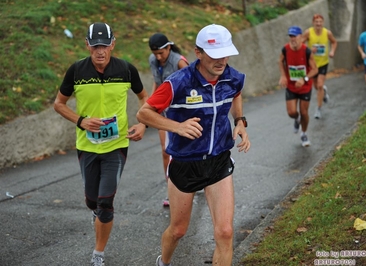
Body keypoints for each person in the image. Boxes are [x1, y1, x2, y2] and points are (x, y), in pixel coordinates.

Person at [137, 24, 250, 266]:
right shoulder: (178, 82)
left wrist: (239, 121)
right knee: (178, 231)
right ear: (198, 53)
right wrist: (176, 127)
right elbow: (144, 113)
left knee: (225, 232)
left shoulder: (232, 77)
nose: (221, 60)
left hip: (219, 162)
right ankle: (164, 262)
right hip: (185, 164)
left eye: (225, 53)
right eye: (214, 54)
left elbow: (236, 92)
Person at [53, 22, 148, 266]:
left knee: (106, 202)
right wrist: (81, 120)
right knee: (91, 201)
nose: (100, 51)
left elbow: (145, 98)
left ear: (113, 44)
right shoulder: (76, 71)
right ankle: (96, 212)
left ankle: (98, 254)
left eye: (105, 45)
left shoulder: (126, 69)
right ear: (86, 45)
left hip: (116, 146)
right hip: (87, 146)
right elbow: (59, 104)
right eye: (95, 46)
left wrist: (143, 123)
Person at [148, 33, 189, 207]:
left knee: (187, 151)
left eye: (161, 53)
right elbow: (157, 84)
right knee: (166, 152)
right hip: (164, 113)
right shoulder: (153, 60)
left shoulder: (179, 62)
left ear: (169, 47)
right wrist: (151, 105)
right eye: (155, 53)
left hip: (182, 114)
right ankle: (171, 192)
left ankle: (193, 183)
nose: (158, 56)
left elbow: (191, 87)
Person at [279, 26, 318, 147]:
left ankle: (304, 133)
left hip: (305, 86)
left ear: (301, 37)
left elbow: (315, 69)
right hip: (291, 85)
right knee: (292, 112)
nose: (292, 38)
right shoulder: (285, 49)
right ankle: (297, 119)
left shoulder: (306, 51)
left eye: (294, 36)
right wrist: (283, 76)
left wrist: (304, 78)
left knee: (304, 112)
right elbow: (280, 61)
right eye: (290, 36)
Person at [302, 14, 338, 119]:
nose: (318, 23)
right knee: (316, 86)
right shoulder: (308, 32)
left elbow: (334, 42)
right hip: (312, 64)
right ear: (313, 23)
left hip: (323, 62)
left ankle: (318, 109)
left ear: (323, 22)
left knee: (320, 85)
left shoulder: (327, 33)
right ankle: (324, 92)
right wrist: (309, 51)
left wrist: (332, 51)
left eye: (320, 21)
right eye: (316, 22)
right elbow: (301, 43)